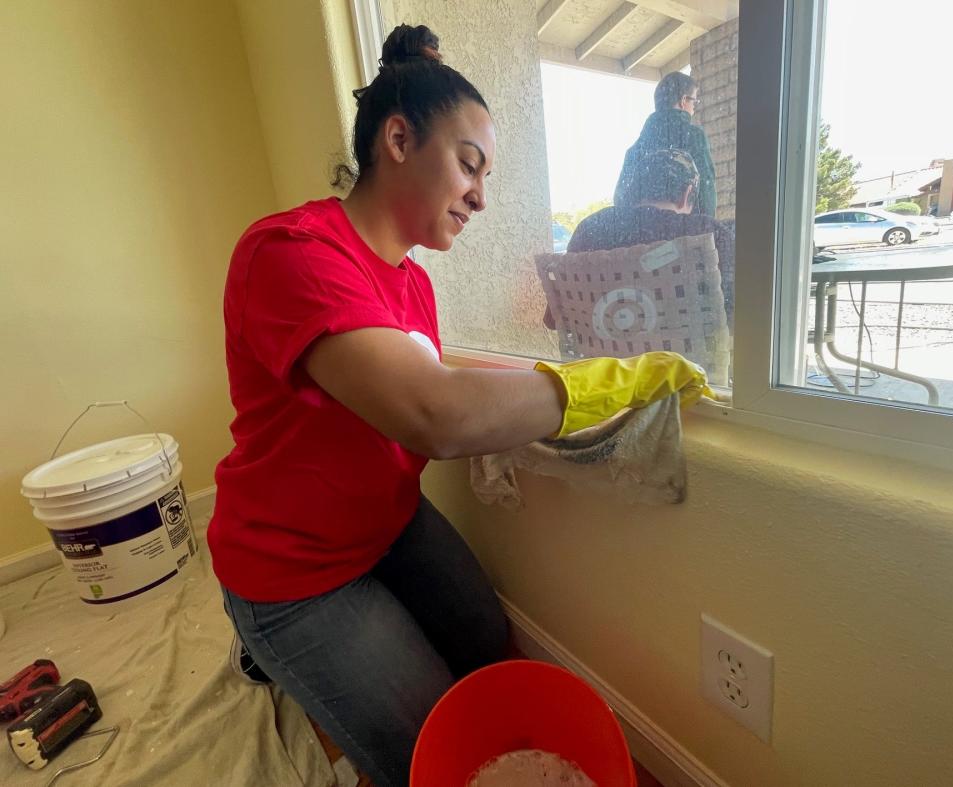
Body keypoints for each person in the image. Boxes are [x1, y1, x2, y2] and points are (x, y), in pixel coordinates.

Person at [206, 24, 711, 787]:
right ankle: (263, 639)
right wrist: (593, 386)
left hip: (386, 521)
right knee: (426, 746)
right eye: (469, 165)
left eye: (486, 175)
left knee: (485, 639)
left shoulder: (412, 283)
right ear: (399, 138)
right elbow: (434, 414)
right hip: (294, 567)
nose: (480, 195)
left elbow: (434, 399)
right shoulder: (289, 254)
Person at [544, 148, 734, 331]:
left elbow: (554, 319)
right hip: (681, 364)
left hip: (604, 363)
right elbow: (740, 315)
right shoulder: (709, 234)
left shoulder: (589, 229)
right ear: (687, 195)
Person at [614, 71, 717, 217]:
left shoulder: (634, 150)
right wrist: (708, 226)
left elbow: (620, 200)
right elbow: (706, 192)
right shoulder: (694, 136)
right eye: (694, 101)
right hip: (684, 233)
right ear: (683, 101)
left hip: (642, 233)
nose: (694, 107)